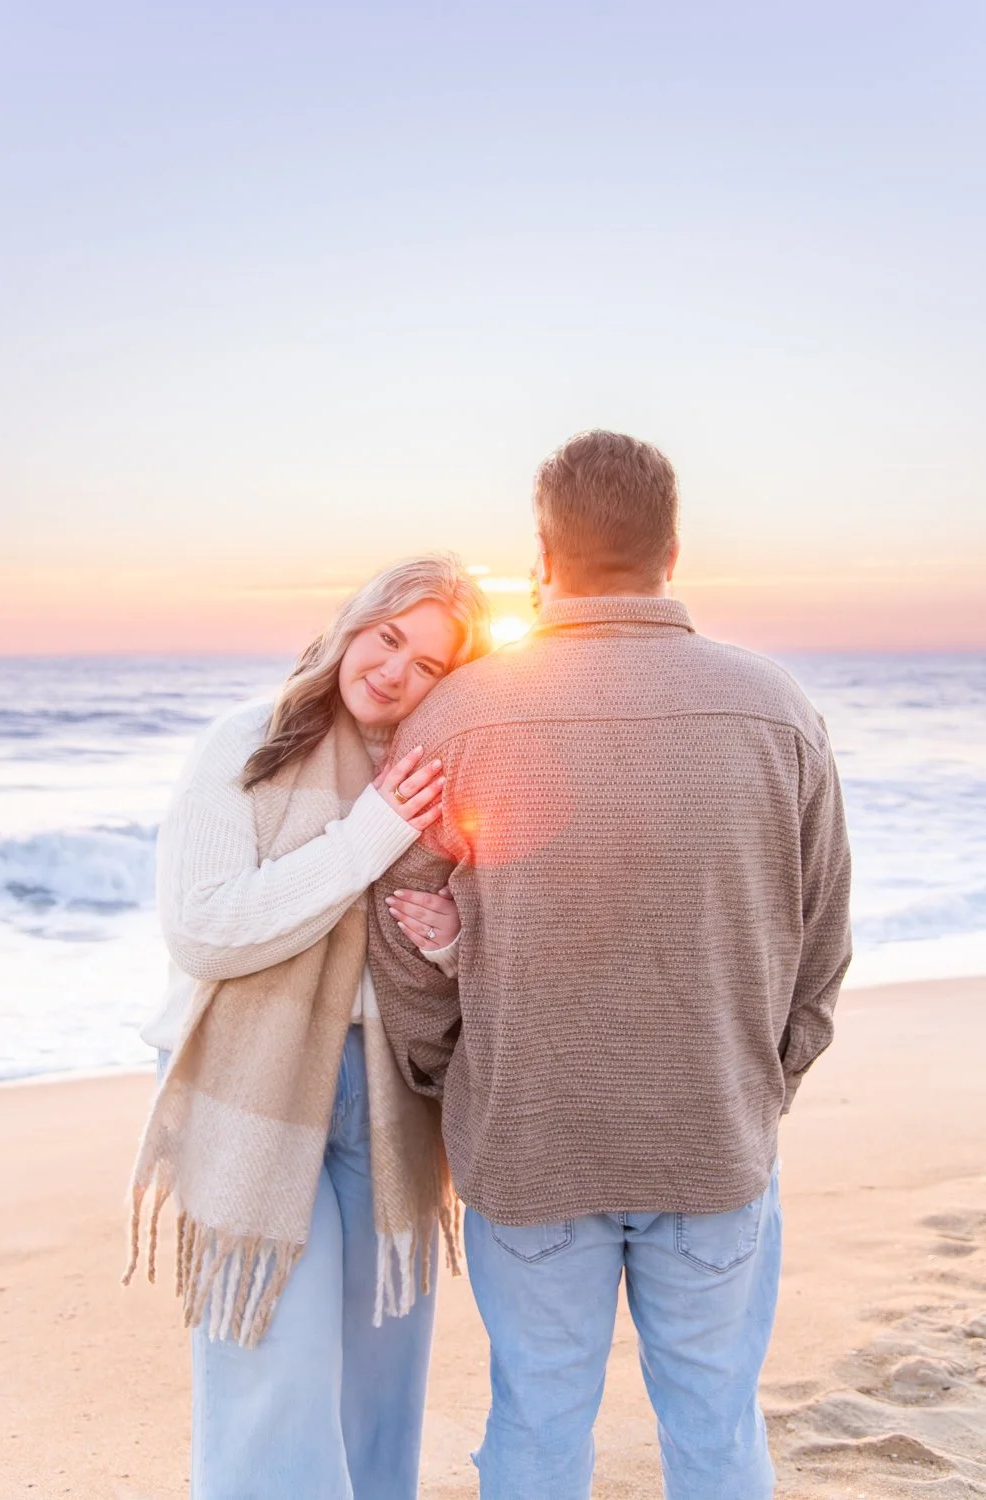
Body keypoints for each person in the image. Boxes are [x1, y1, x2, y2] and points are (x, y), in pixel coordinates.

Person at [368, 431, 853, 1500]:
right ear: (672, 550)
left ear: (541, 557)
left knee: (538, 1423)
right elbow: (821, 952)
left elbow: (399, 937)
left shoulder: (457, 713)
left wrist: (454, 1081)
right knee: (716, 1428)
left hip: (530, 1145)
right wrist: (759, 1085)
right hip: (713, 1141)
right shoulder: (775, 710)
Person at [127, 555, 492, 1500]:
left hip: (389, 1093)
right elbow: (205, 930)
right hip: (256, 1090)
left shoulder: (439, 775)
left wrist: (456, 942)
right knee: (270, 1379)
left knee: (381, 1381)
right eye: (389, 639)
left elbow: (486, 922)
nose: (395, 673)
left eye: (428, 667)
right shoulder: (244, 746)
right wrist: (365, 838)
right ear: (354, 621)